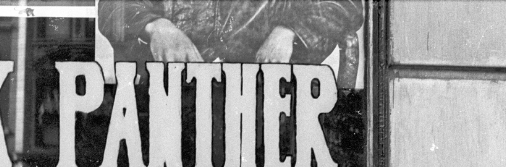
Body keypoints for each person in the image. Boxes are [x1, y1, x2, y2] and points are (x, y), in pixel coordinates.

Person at [97, 0, 364, 66]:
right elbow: (113, 7)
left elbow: (346, 4)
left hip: (267, 107)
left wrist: (289, 31)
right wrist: (157, 25)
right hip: (175, 100)